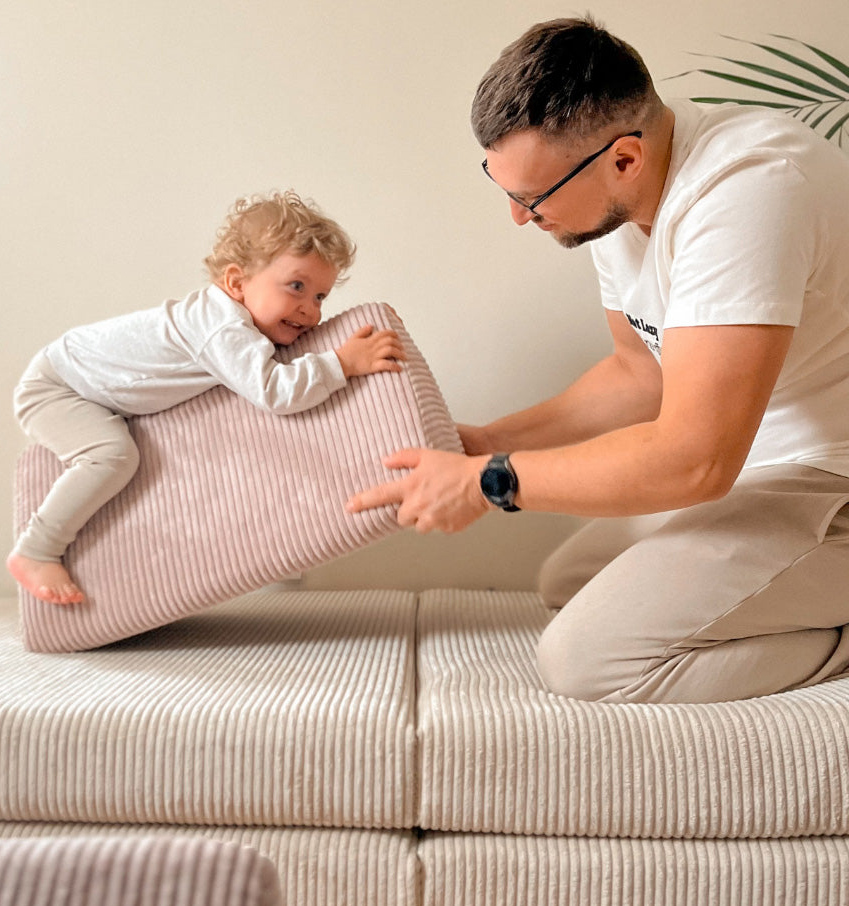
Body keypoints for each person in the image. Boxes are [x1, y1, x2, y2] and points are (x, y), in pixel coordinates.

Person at [347, 16, 849, 703]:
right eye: (506, 190)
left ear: (624, 158)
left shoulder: (748, 191)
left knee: (589, 661)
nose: (520, 218)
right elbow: (639, 375)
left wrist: (492, 482)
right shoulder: (617, 204)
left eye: (532, 197)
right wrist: (484, 443)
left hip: (830, 478)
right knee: (568, 581)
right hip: (757, 467)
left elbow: (696, 459)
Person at [9, 191, 405, 605]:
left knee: (123, 450)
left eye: (320, 296)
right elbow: (274, 391)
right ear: (236, 283)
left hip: (88, 386)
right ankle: (35, 550)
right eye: (296, 287)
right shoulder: (222, 328)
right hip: (58, 386)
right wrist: (341, 363)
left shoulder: (234, 322)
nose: (311, 311)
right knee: (112, 456)